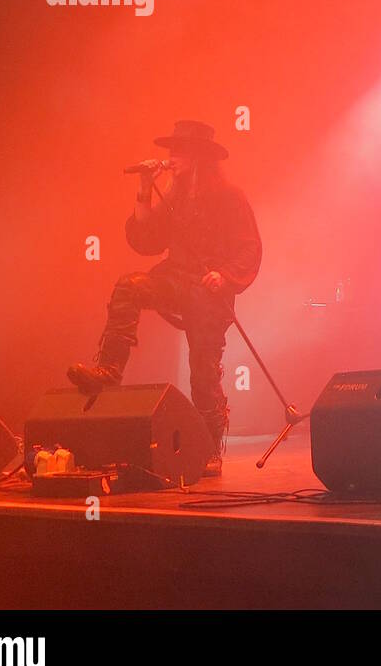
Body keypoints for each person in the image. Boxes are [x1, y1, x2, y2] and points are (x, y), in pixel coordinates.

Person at [67, 120, 262, 476]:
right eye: (171, 151)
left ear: (200, 157)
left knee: (203, 371)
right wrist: (145, 186)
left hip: (208, 290)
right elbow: (146, 238)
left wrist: (226, 276)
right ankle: (109, 369)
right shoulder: (173, 195)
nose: (171, 158)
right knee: (130, 285)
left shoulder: (228, 195)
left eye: (180, 151)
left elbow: (249, 247)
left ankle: (209, 446)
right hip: (175, 280)